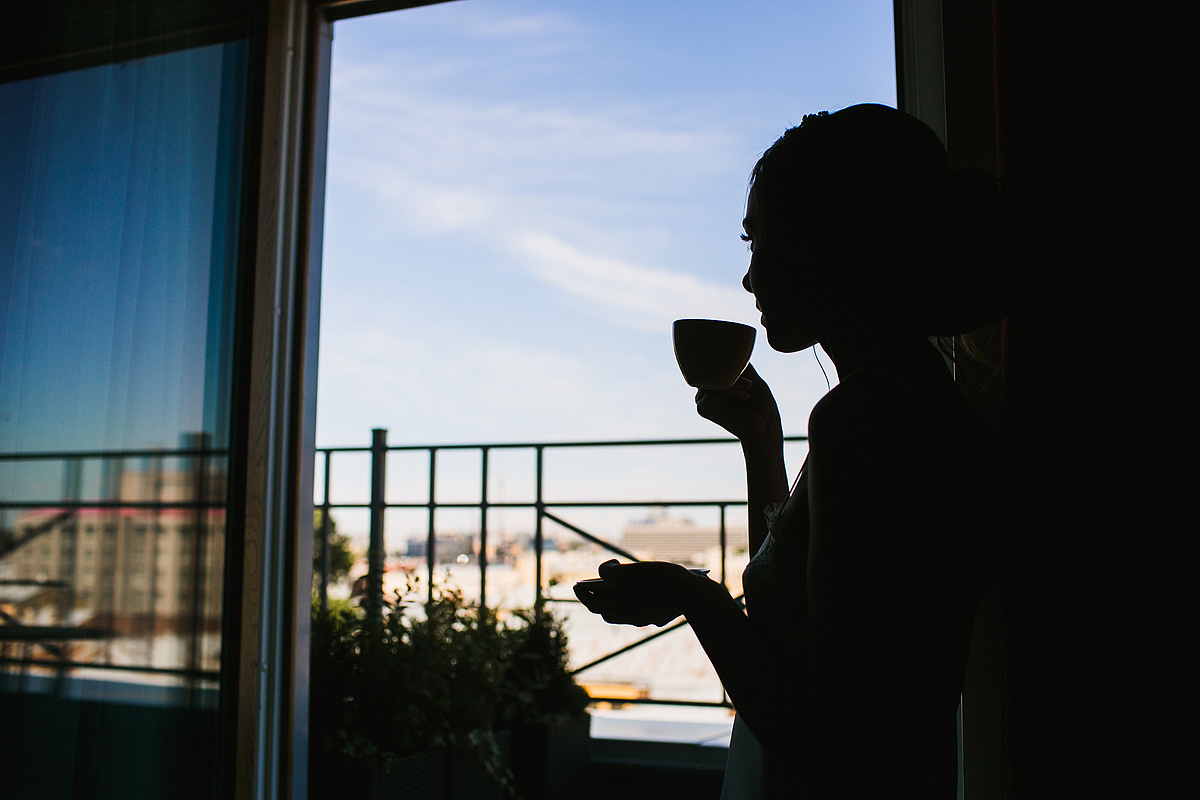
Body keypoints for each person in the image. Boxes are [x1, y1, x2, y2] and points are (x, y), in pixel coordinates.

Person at [576, 104, 1005, 798]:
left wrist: (695, 597)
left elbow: (832, 738)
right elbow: (798, 620)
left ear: (828, 248)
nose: (750, 279)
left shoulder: (866, 417)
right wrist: (762, 446)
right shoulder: (920, 401)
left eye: (761, 243)